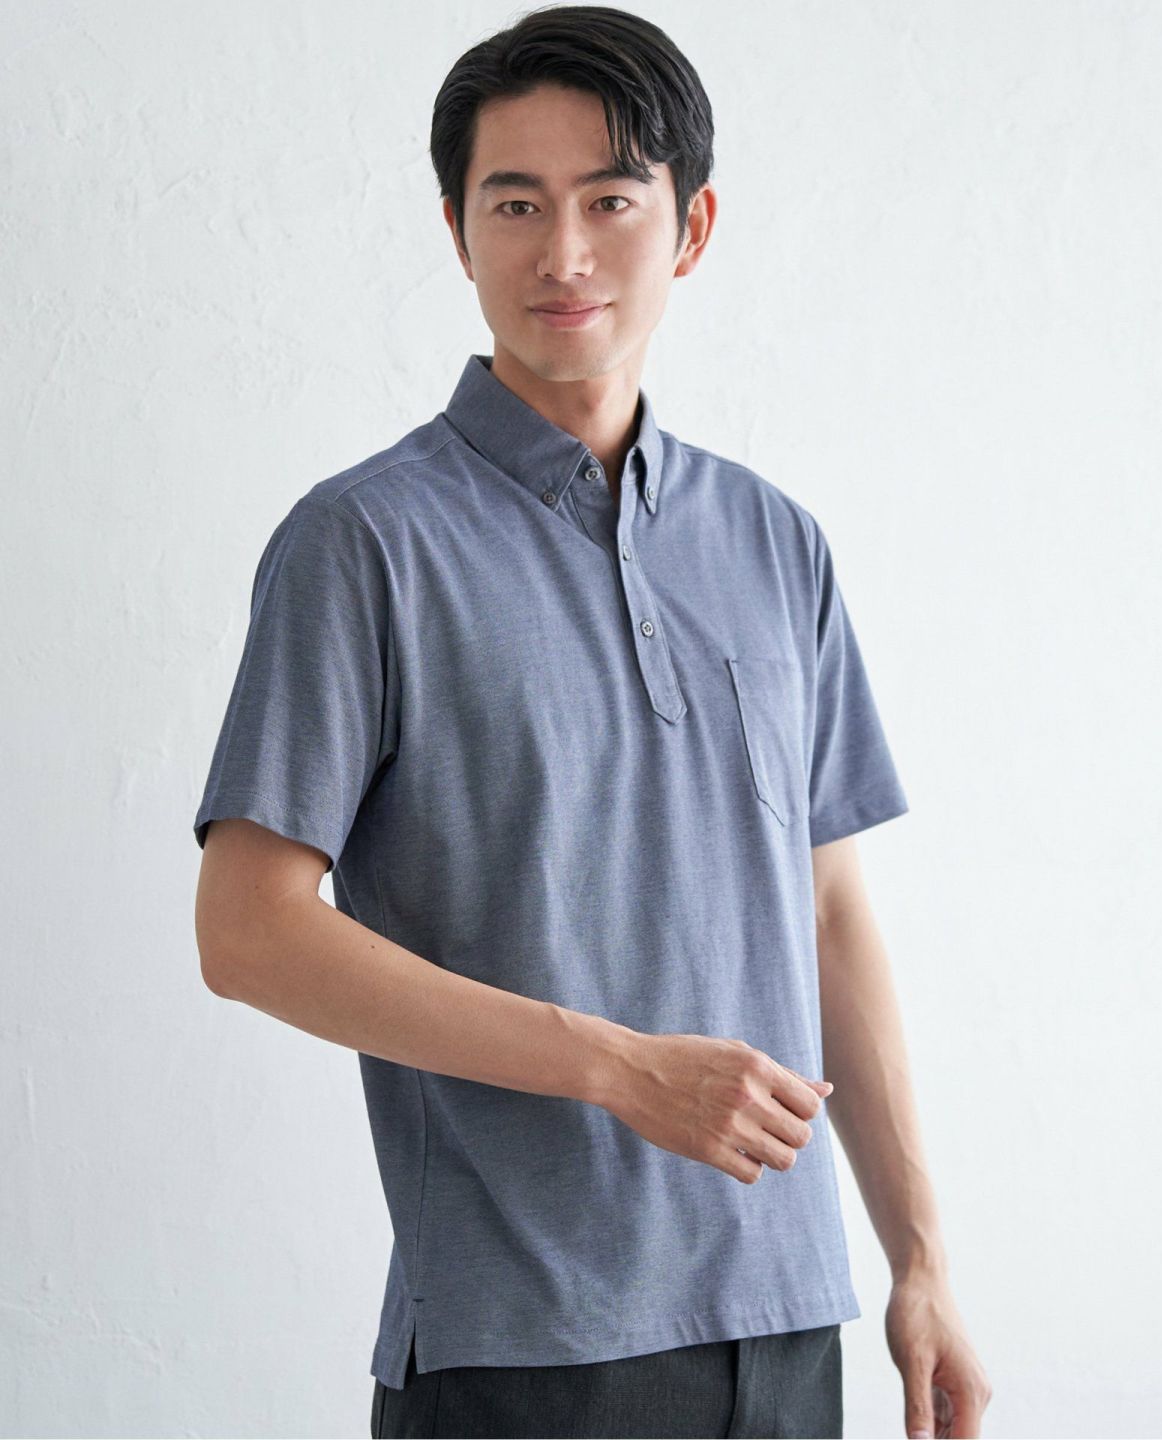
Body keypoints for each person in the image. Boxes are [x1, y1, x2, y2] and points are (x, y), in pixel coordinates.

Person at [192, 6, 992, 1437]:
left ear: (690, 229)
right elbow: (246, 933)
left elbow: (827, 915)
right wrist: (619, 1069)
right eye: (516, 205)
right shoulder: (361, 543)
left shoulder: (774, 541)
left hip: (790, 1325)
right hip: (521, 1345)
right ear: (457, 232)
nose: (562, 254)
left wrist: (920, 1259)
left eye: (610, 201)